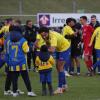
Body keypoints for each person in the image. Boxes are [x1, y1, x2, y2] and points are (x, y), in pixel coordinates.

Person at [4, 25, 36, 97]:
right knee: (25, 77)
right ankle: (30, 91)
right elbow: (26, 50)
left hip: (12, 62)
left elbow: (7, 52)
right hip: (21, 62)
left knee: (14, 78)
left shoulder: (9, 41)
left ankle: (14, 92)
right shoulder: (23, 40)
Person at [39, 27, 70, 94]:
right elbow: (48, 44)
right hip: (59, 48)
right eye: (42, 35)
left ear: (47, 32)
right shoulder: (46, 34)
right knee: (58, 67)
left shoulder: (53, 37)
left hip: (64, 48)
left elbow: (52, 50)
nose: (43, 36)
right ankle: (64, 86)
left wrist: (42, 49)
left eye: (44, 35)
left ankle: (60, 88)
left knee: (60, 67)